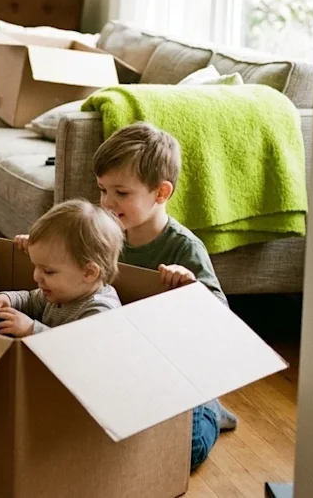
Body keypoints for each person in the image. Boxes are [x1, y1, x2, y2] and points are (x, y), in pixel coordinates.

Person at [92, 122, 236, 470]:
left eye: (121, 193)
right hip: (128, 366)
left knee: (185, 450)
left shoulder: (184, 247)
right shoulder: (105, 233)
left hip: (180, 372)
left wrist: (191, 287)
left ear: (161, 192)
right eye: (102, 190)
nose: (107, 203)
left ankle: (210, 408)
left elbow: (221, 319)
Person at [0, 199, 124, 337]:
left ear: (88, 273)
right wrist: (7, 299)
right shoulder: (60, 292)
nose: (36, 276)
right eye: (36, 266)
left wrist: (31, 329)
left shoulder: (100, 312)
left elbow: (75, 346)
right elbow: (30, 300)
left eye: (48, 271)